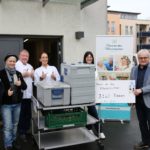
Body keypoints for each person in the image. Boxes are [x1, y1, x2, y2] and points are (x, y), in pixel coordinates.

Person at [0, 53, 27, 150]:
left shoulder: (18, 73)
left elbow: (25, 87)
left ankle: (14, 140)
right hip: (6, 105)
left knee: (15, 124)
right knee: (7, 126)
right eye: (10, 61)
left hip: (17, 104)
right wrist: (6, 94)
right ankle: (8, 145)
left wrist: (20, 84)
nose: (12, 63)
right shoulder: (1, 73)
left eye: (14, 61)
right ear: (6, 62)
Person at [130, 49, 150, 149]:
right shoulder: (134, 69)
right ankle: (145, 141)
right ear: (138, 58)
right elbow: (131, 84)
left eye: (145, 57)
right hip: (138, 101)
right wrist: (131, 98)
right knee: (142, 123)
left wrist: (141, 90)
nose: (142, 59)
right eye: (140, 58)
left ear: (148, 58)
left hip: (149, 101)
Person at [83, 51, 105, 139]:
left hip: (95, 93)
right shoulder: (83, 68)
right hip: (87, 93)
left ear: (92, 58)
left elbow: (98, 80)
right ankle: (100, 131)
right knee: (93, 110)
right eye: (87, 57)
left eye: (90, 57)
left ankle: (89, 128)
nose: (89, 58)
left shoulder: (95, 69)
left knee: (90, 111)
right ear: (85, 58)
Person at [15, 49, 34, 142]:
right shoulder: (16, 64)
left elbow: (33, 76)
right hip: (20, 95)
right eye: (23, 55)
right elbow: (16, 76)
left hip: (28, 95)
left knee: (27, 114)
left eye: (26, 56)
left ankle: (26, 130)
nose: (25, 57)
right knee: (21, 115)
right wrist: (26, 74)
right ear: (19, 56)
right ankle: (21, 133)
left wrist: (30, 74)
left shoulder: (30, 65)